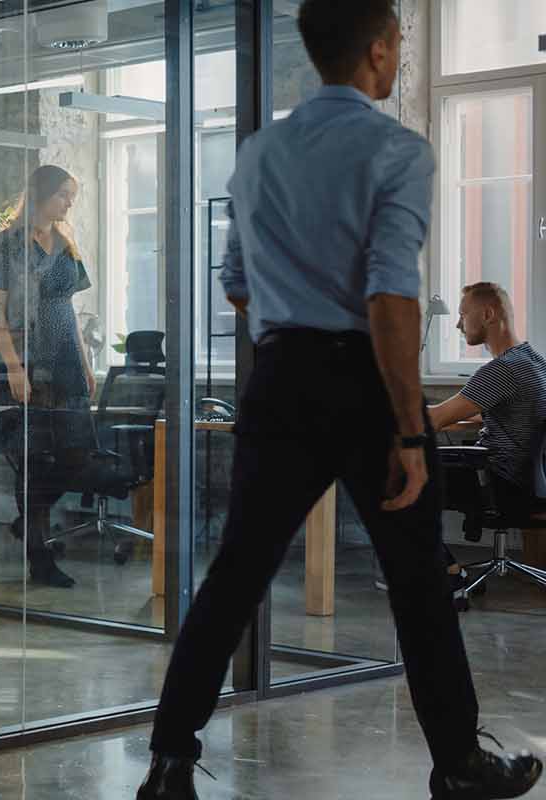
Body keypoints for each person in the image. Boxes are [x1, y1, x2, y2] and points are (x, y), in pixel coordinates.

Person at [136, 2, 540, 797]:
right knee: (419, 580)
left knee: (235, 576)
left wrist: (298, 325)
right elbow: (391, 299)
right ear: (382, 51)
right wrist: (409, 433)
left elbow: (238, 286)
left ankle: (169, 763)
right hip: (362, 380)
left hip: (278, 378)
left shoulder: (258, 154)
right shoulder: (396, 151)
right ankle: (457, 762)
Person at [0, 164, 95, 588]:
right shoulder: (8, 244)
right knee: (31, 461)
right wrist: (13, 367)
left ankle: (27, 525)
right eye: (65, 194)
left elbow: (70, 309)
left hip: (66, 359)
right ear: (43, 195)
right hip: (28, 361)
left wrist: (84, 362)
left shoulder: (67, 242)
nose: (70, 202)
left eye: (73, 195)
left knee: (76, 455)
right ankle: (39, 555)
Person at [429, 282, 546, 511]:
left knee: (400, 472)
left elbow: (433, 421)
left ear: (488, 314)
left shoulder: (503, 369)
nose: (458, 325)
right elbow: (511, 416)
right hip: (534, 482)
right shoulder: (535, 362)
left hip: (500, 481)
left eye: (463, 315)